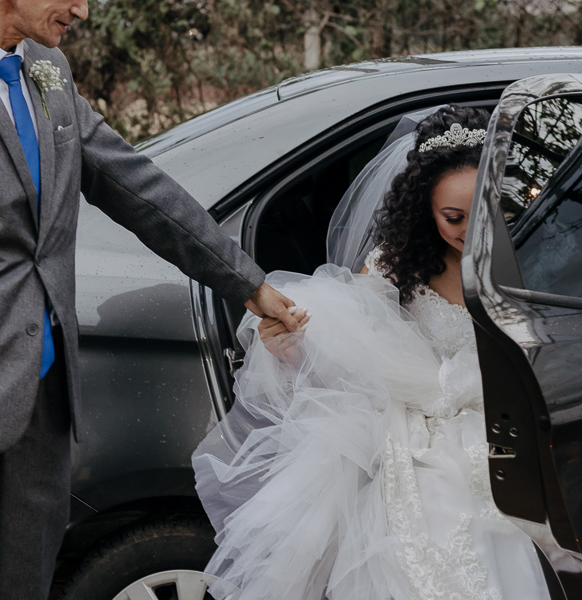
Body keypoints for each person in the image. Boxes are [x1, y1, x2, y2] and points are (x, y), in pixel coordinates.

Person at [0, 0, 300, 597]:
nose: (82, 10)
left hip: (45, 408)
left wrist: (249, 284)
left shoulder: (48, 68)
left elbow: (137, 186)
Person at [192, 105, 553, 599]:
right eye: (453, 217)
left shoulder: (533, 258)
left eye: (486, 213)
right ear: (425, 208)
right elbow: (350, 352)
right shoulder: (393, 264)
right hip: (406, 432)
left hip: (506, 424)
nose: (471, 230)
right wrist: (293, 347)